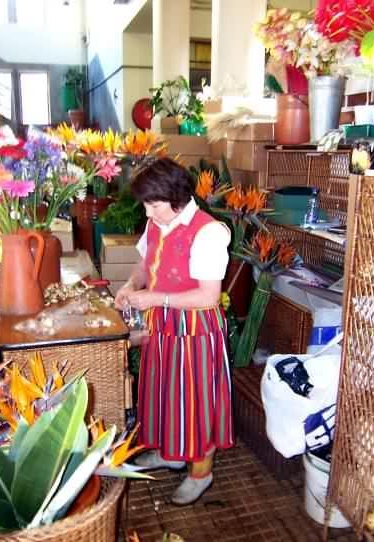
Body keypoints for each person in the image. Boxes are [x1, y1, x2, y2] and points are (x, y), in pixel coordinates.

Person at [114, 157, 234, 505]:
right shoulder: (156, 224)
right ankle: (173, 452)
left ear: (177, 197)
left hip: (195, 330)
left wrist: (153, 296)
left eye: (153, 205)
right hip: (163, 325)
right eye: (146, 205)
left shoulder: (208, 231)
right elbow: (144, 264)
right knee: (166, 394)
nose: (148, 213)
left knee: (194, 401)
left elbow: (208, 295)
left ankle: (201, 472)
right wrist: (129, 286)